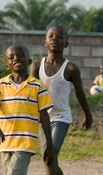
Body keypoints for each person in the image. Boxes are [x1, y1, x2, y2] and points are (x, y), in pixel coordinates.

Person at [30, 25, 93, 175]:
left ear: (66, 44)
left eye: (59, 37)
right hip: (41, 118)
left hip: (61, 118)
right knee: (49, 158)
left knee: (49, 157)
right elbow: (31, 94)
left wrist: (88, 115)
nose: (54, 39)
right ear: (45, 42)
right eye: (50, 36)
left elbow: (80, 93)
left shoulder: (71, 68)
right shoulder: (37, 66)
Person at [0, 45, 55, 175]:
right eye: (11, 57)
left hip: (26, 141)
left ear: (29, 61)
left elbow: (44, 115)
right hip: (5, 141)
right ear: (7, 65)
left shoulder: (37, 85)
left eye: (20, 56)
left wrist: (49, 145)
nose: (16, 59)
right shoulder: (1, 84)